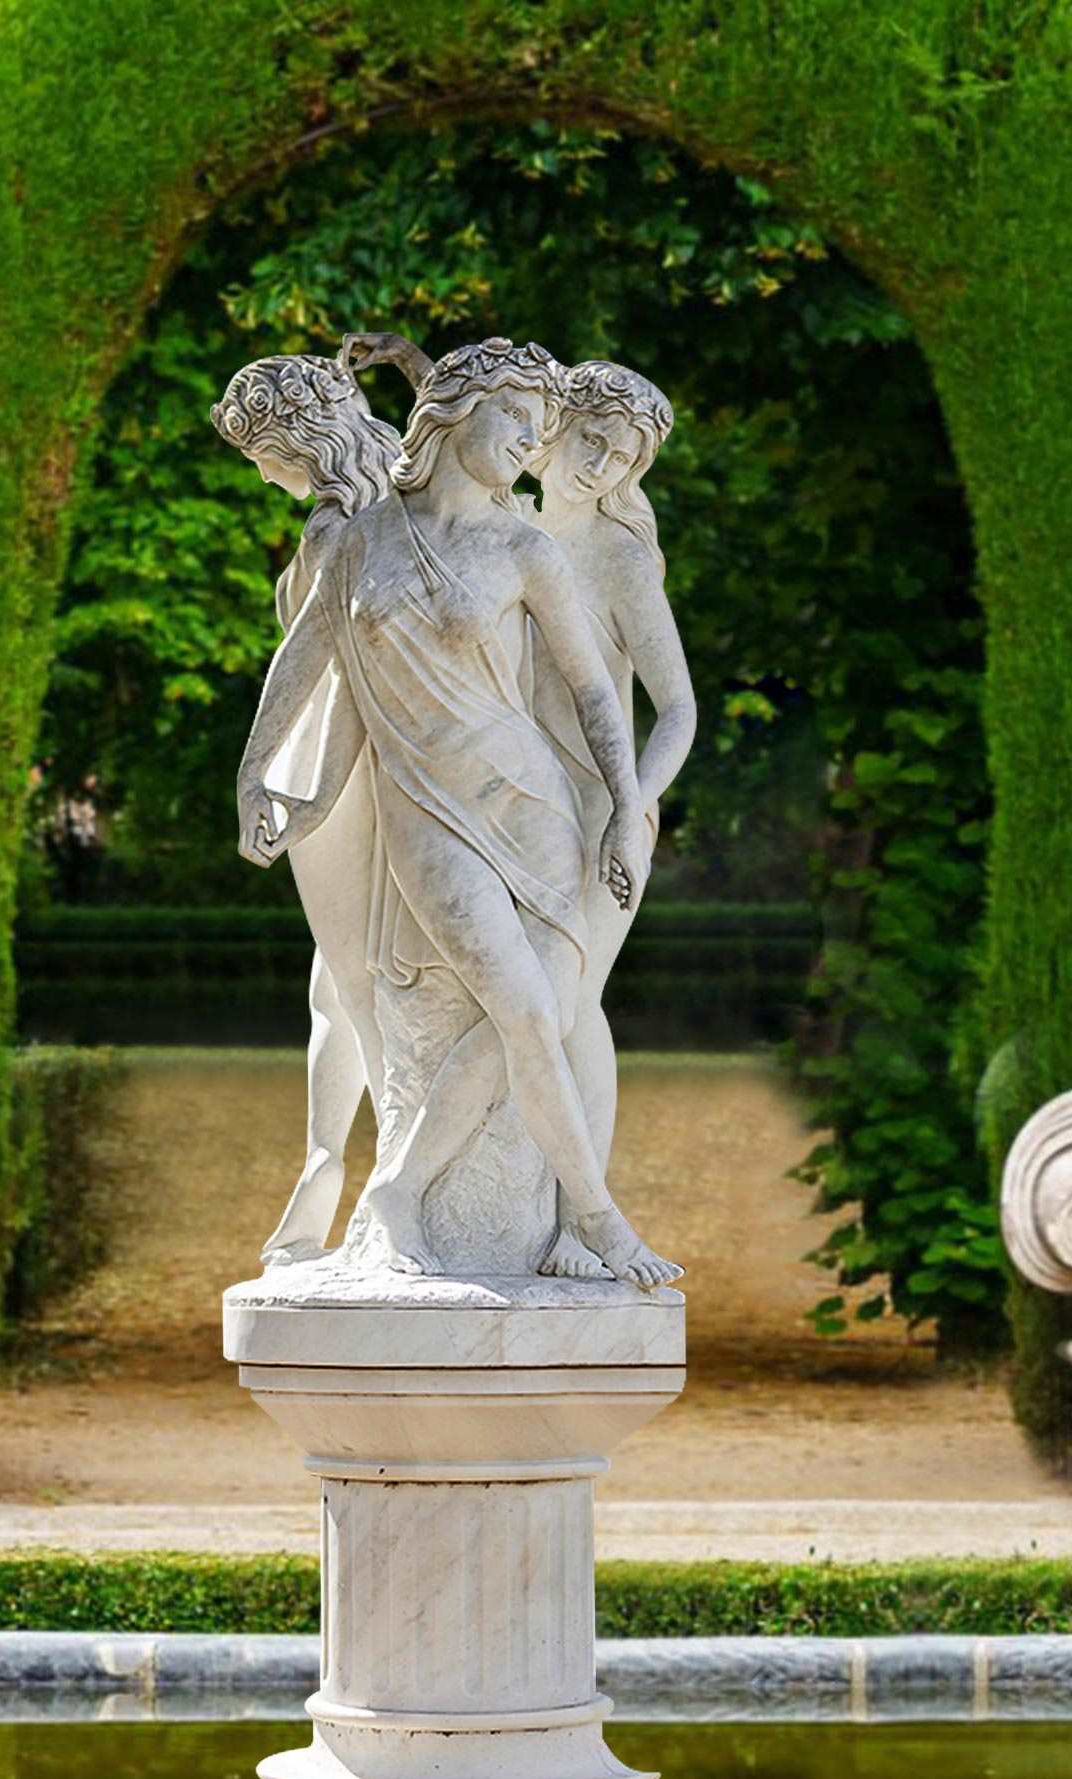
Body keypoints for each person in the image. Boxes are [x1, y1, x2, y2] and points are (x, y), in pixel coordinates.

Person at [234, 338, 680, 1290]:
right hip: (429, 815)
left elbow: (597, 694)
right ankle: (601, 1219)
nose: (529, 440)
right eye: (512, 417)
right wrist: (260, 777)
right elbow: (310, 667)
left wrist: (621, 813)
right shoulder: (357, 542)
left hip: (536, 809)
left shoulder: (524, 548)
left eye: (536, 423)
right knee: (520, 1006)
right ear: (449, 414)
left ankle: (396, 1195)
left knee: (546, 1009)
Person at [209, 353, 398, 1264]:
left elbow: (306, 667)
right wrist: (410, 363)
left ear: (302, 442)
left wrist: (262, 777)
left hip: (336, 774)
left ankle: (368, 1181)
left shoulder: (335, 529)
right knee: (346, 988)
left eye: (263, 453)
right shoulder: (411, 488)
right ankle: (331, 1185)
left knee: (352, 989)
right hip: (391, 766)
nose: (260, 473)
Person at [524, 361, 698, 1277]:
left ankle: (578, 1221)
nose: (599, 464)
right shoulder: (502, 530)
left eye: (621, 456)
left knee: (569, 1007)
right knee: (516, 1010)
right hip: (503, 808)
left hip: (598, 811)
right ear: (552, 426)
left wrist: (632, 811)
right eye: (590, 437)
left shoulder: (618, 558)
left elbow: (678, 709)